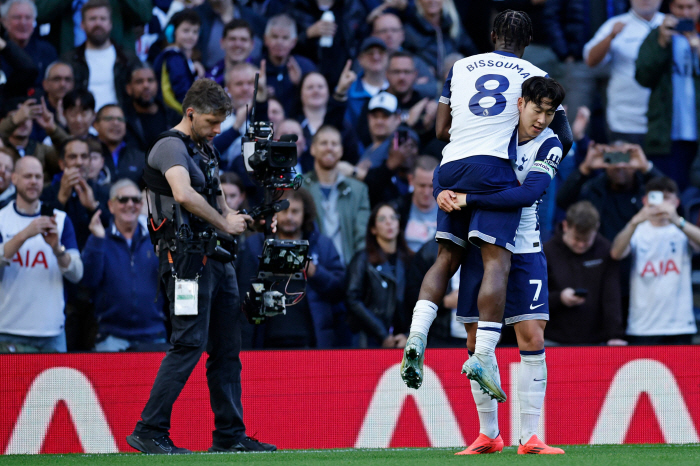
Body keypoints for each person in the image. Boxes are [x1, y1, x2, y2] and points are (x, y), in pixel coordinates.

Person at [400, 11, 572, 404]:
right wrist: (545, 153)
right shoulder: (532, 75)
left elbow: (440, 128)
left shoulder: (459, 66)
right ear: (527, 41)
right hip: (493, 168)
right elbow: (563, 134)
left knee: (445, 258)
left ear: (492, 34)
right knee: (497, 261)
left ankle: (417, 334)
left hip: (449, 166)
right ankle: (481, 357)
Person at [127, 79, 276, 454]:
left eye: (221, 123)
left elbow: (218, 199)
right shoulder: (169, 146)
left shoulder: (204, 148)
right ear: (190, 113)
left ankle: (230, 436)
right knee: (188, 343)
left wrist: (239, 218)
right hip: (184, 262)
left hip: (216, 258)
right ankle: (149, 429)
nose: (217, 130)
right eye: (211, 122)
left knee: (227, 348)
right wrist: (224, 222)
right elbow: (182, 193)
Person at [432, 76, 567, 455]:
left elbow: (528, 193)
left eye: (549, 113)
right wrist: (443, 193)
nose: (542, 119)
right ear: (520, 103)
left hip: (524, 247)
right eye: (537, 109)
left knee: (532, 336)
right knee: (475, 342)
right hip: (486, 243)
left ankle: (531, 437)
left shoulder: (550, 143)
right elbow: (451, 156)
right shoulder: (493, 133)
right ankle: (488, 435)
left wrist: (467, 199)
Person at [238, 188, 346, 349]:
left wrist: (312, 269)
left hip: (312, 340)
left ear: (305, 213)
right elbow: (243, 297)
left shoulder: (322, 245)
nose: (289, 217)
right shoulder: (255, 246)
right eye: (284, 211)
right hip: (264, 341)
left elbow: (339, 289)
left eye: (295, 211)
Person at [0, 156, 82, 353]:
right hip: (9, 328)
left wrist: (56, 249)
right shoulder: (2, 218)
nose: (34, 181)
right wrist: (24, 235)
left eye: (38, 177)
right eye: (28, 176)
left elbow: (77, 273)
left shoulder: (60, 220)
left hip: (51, 331)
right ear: (15, 179)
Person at [611, 177, 700, 344]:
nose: (661, 204)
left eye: (666, 198)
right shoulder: (637, 230)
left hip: (680, 325)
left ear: (677, 201)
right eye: (656, 198)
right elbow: (616, 253)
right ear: (645, 200)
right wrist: (634, 222)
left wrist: (677, 220)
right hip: (643, 326)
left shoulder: (682, 230)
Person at [82, 179, 167, 351]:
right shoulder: (99, 238)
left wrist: (168, 258)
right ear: (111, 205)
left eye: (135, 200)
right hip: (111, 337)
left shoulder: (158, 241)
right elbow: (89, 281)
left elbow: (174, 283)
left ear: (141, 205)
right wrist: (97, 242)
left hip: (153, 335)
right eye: (122, 199)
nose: (130, 204)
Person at [635, 0, 700, 191]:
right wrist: (662, 44)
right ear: (671, 8)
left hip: (696, 134)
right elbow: (643, 77)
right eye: (680, 7)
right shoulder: (657, 36)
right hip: (666, 134)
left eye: (690, 7)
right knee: (667, 191)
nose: (685, 13)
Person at [543, 201, 626, 345]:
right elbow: (532, 299)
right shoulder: (547, 252)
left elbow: (611, 296)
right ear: (565, 226)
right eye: (576, 239)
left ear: (596, 229)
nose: (581, 245)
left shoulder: (605, 250)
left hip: (596, 340)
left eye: (587, 240)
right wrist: (560, 298)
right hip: (553, 339)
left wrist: (615, 334)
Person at [583, 0, 664, 145]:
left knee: (660, 167)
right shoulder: (616, 24)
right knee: (622, 166)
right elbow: (590, 61)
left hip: (665, 120)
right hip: (625, 120)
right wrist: (611, 36)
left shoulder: (670, 24)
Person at [556, 141, 664, 241]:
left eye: (624, 159)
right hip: (602, 253)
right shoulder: (594, 189)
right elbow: (563, 201)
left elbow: (673, 202)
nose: (619, 166)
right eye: (613, 158)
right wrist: (585, 168)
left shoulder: (646, 189)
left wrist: (647, 168)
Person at [346, 202, 412, 348]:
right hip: (369, 338)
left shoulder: (410, 260)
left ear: (399, 225)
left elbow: (417, 301)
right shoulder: (362, 259)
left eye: (393, 218)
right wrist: (382, 333)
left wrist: (409, 334)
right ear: (373, 229)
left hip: (402, 340)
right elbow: (352, 299)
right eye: (382, 219)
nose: (389, 222)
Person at [303, 125, 370, 266]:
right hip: (311, 269)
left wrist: (356, 270)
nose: (329, 148)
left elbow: (362, 237)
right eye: (323, 143)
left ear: (341, 151)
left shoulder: (359, 190)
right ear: (313, 149)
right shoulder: (301, 187)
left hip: (348, 268)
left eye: (334, 144)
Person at [62, 0, 139, 112]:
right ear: (82, 24)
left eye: (103, 19)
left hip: (120, 123)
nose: (98, 23)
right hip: (81, 123)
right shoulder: (69, 60)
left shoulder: (127, 59)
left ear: (110, 24)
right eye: (92, 19)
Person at [262, 14, 317, 117]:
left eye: (285, 38)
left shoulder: (306, 67)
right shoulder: (255, 68)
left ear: (294, 42)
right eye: (274, 37)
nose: (279, 42)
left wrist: (300, 84)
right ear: (266, 39)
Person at [153, 9, 204, 113]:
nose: (191, 35)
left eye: (195, 31)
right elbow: (182, 92)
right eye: (186, 31)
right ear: (172, 32)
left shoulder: (181, 58)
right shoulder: (173, 58)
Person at [1, 0, 58, 91]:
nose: (23, 23)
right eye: (17, 17)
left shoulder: (47, 51)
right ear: (4, 21)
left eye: (28, 17)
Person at [124, 63, 181, 153]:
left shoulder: (173, 117)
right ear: (129, 88)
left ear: (157, 85)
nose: (146, 86)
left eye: (150, 80)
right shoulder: (123, 121)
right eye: (139, 81)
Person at [395, 155, 439, 253]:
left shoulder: (449, 209)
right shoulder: (398, 208)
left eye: (431, 186)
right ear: (411, 180)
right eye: (422, 186)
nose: (426, 192)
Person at [93, 104, 144, 185]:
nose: (116, 123)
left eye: (120, 119)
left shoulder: (139, 158)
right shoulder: (86, 154)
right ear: (96, 125)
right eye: (109, 118)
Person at [206, 19, 257, 86]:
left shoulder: (263, 75)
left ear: (252, 45)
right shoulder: (209, 78)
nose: (238, 44)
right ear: (222, 43)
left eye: (243, 39)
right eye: (232, 39)